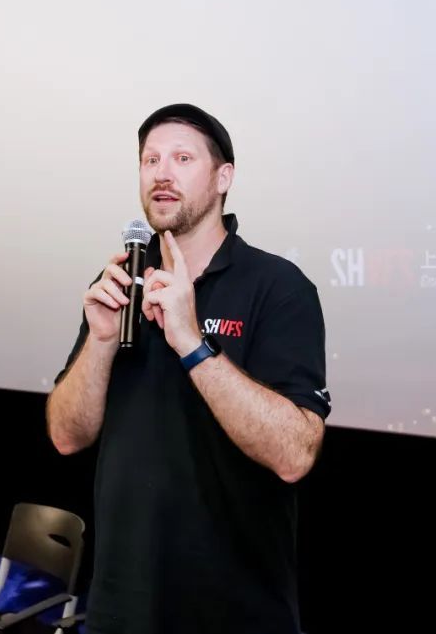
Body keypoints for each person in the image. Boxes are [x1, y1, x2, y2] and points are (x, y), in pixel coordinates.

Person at [46, 103, 331, 634]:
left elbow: (294, 454)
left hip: (233, 612)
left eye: (182, 158)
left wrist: (191, 342)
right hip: (120, 604)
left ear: (223, 178)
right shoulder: (119, 285)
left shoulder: (278, 287)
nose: (162, 173)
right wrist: (101, 343)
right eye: (150, 160)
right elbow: (66, 436)